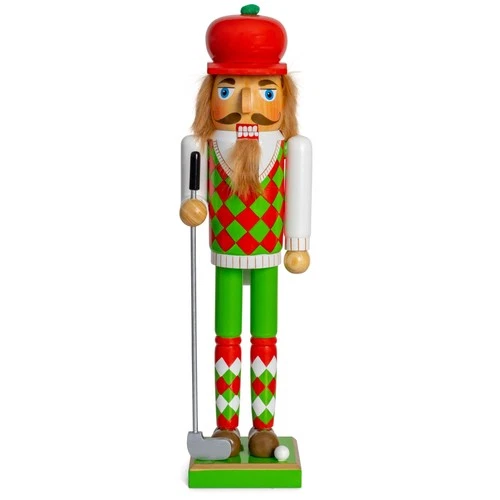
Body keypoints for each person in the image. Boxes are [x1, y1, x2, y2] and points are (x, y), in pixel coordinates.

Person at [180, 4, 312, 458]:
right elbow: (192, 195)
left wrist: (298, 243)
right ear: (210, 95)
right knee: (226, 338)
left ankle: (263, 427)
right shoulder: (201, 145)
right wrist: (193, 205)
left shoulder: (292, 147)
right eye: (229, 88)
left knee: (265, 338)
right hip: (225, 251)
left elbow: (297, 195)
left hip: (270, 251)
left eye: (265, 91)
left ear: (284, 96)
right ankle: (226, 427)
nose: (247, 106)